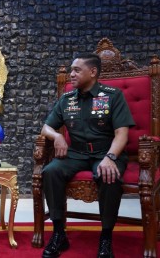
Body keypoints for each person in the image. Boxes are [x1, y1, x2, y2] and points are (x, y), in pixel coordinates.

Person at [40, 53, 135, 258]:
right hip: (76, 152)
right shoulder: (67, 99)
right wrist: (57, 136)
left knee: (109, 176)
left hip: (106, 151)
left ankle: (106, 238)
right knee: (51, 171)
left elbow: (122, 134)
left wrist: (110, 157)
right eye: (71, 70)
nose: (71, 74)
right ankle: (59, 234)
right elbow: (46, 127)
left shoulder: (113, 96)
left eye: (76, 70)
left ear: (92, 72)